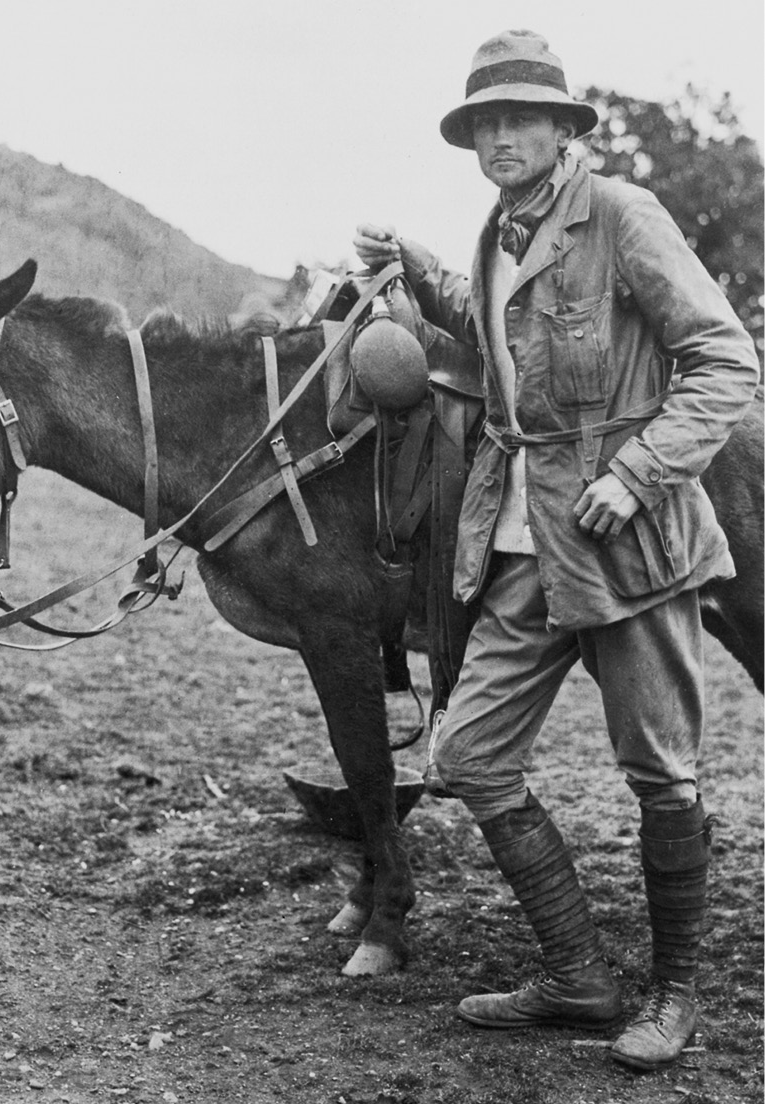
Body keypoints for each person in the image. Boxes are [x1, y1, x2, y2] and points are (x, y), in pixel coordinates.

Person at [353, 29, 759, 1072]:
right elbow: (499, 346)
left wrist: (639, 472)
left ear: (562, 128)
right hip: (528, 541)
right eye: (483, 122)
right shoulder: (497, 232)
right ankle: (577, 976)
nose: (498, 137)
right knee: (470, 757)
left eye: (519, 118)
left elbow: (722, 361)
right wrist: (416, 270)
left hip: (630, 540)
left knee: (661, 776)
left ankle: (674, 996)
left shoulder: (620, 213)